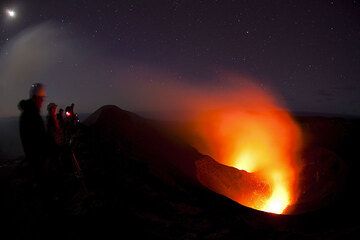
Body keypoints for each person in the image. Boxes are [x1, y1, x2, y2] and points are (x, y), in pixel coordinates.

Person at [18, 83, 47, 180]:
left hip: (37, 158)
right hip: (37, 159)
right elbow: (37, 138)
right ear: (35, 98)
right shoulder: (31, 115)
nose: (42, 101)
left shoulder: (31, 113)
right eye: (41, 98)